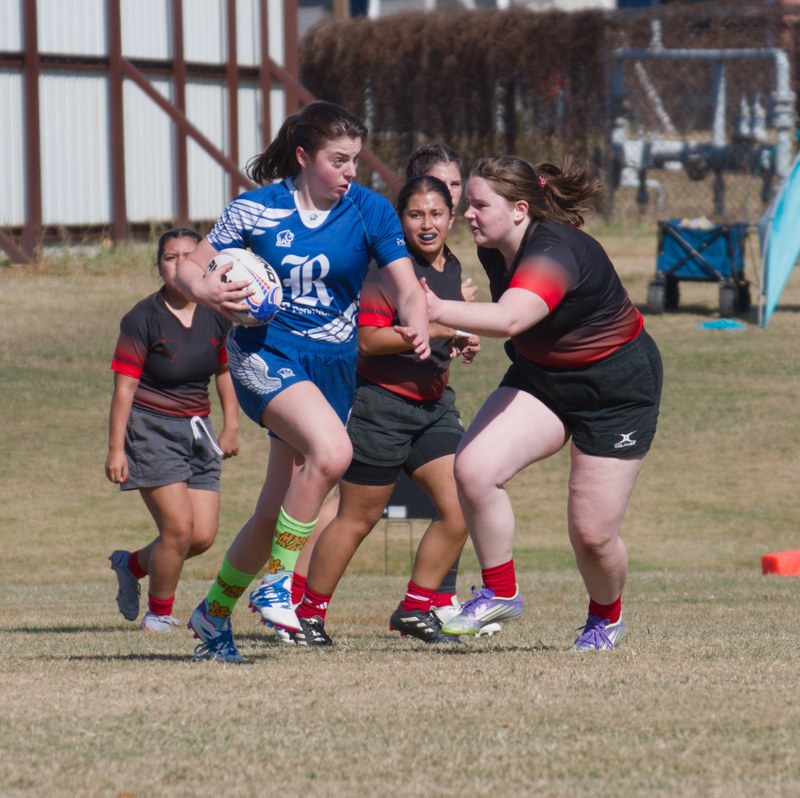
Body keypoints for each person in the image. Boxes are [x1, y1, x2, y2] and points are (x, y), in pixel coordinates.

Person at [174, 101, 430, 662]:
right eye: (338, 161)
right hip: (266, 352)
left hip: (333, 365)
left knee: (274, 510)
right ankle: (279, 582)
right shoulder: (256, 209)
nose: (350, 172)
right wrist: (206, 291)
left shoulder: (371, 211)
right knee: (334, 453)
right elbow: (190, 265)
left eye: (355, 160)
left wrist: (416, 320)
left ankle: (212, 615)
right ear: (302, 157)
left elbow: (407, 287)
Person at [422, 156, 663, 650]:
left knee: (592, 536)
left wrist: (437, 311)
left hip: (614, 392)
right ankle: (500, 591)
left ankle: (605, 618)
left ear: (520, 209)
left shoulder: (554, 251)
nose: (468, 213)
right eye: (468, 202)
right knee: (473, 469)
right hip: (542, 378)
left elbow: (512, 317)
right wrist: (464, 327)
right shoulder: (495, 246)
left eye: (480, 204)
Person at [283, 175, 480, 645]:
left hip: (434, 408)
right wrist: (438, 328)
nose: (426, 224)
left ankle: (416, 607)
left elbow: (435, 331)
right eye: (415, 215)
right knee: (359, 518)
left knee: (463, 505)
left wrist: (459, 338)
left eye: (436, 214)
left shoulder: (451, 265)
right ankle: (308, 614)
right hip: (381, 408)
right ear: (399, 220)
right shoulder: (386, 270)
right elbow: (368, 340)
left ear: (451, 218)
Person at [106, 227, 240, 632]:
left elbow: (225, 371)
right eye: (170, 257)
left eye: (189, 255)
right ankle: (159, 616)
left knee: (200, 537)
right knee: (178, 530)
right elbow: (124, 389)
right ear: (159, 266)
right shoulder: (142, 317)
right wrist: (116, 449)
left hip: (200, 432)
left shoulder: (217, 312)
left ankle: (131, 564)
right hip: (151, 429)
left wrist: (231, 425)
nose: (180, 264)